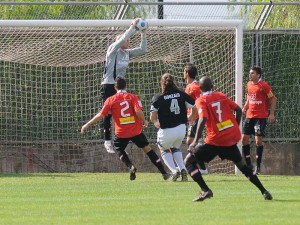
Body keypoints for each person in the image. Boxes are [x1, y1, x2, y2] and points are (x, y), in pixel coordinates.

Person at [185, 76, 272, 202]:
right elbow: (238, 109)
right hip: (230, 139)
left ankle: (205, 190)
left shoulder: (201, 100)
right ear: (212, 86)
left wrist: (195, 140)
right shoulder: (221, 95)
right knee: (243, 167)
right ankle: (264, 191)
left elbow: (203, 119)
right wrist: (235, 126)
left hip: (215, 140)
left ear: (200, 88)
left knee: (188, 161)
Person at [81, 77, 170, 181]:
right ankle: (164, 173)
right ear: (125, 86)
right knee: (147, 149)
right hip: (135, 130)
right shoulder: (133, 97)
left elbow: (101, 115)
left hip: (121, 132)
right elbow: (138, 111)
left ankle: (130, 166)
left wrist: (87, 124)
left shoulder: (111, 99)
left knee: (119, 149)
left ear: (115, 87)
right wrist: (144, 121)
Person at [100, 19, 147, 153]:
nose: (129, 42)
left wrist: (143, 33)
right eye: (127, 40)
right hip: (108, 85)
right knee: (107, 114)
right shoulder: (113, 49)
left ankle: (121, 141)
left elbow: (143, 50)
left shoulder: (127, 53)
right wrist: (132, 28)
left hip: (119, 88)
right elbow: (122, 40)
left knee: (122, 113)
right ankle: (107, 140)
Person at [150, 73, 197, 182]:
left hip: (167, 130)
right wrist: (191, 117)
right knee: (175, 147)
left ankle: (174, 171)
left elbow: (152, 116)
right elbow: (195, 107)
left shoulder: (158, 98)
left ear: (162, 83)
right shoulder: (181, 94)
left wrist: (155, 122)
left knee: (163, 149)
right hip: (181, 129)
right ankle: (183, 169)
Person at [242, 66, 277, 175]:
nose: (250, 75)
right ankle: (248, 165)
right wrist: (244, 108)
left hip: (260, 117)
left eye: (252, 73)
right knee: (244, 139)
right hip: (249, 116)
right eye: (250, 73)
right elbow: (249, 98)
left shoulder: (264, 85)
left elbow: (273, 98)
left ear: (258, 75)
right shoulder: (248, 84)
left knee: (258, 141)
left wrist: (271, 114)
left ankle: (258, 166)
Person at [183, 63, 208, 175]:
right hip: (192, 118)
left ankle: (202, 168)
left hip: (196, 118)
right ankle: (201, 167)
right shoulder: (189, 86)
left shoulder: (195, 87)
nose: (183, 73)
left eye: (184, 71)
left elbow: (200, 103)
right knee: (191, 141)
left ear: (187, 73)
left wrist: (193, 116)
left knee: (190, 141)